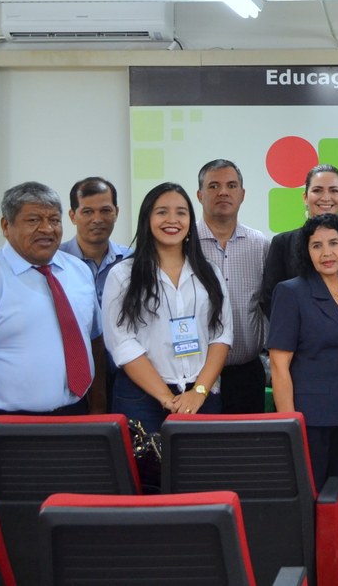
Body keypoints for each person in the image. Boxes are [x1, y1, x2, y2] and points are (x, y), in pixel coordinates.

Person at [0, 181, 105, 474]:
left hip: (75, 417)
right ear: (6, 225)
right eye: (33, 220)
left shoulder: (78, 271)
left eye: (54, 220)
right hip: (7, 424)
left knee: (72, 499)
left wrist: (98, 406)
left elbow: (94, 341)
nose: (47, 229)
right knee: (16, 502)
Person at [102, 182, 232, 434]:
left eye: (181, 212)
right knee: (147, 462)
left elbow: (222, 334)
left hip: (201, 396)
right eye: (162, 212)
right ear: (147, 219)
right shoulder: (123, 275)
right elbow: (122, 342)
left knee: (200, 460)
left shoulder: (209, 273)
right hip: (142, 398)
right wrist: (166, 398)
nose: (172, 220)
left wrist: (199, 392)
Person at [268, 213, 338, 538]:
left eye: (333, 243)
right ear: (306, 251)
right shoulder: (291, 292)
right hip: (311, 419)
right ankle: (313, 563)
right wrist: (289, 423)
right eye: (317, 245)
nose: (327, 252)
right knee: (311, 501)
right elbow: (279, 365)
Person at [195, 159, 270, 414]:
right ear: (200, 195)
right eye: (214, 186)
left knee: (246, 440)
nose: (223, 192)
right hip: (195, 374)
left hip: (246, 373)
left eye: (231, 185)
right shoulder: (185, 243)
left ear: (242, 194)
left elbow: (267, 303)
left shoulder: (259, 244)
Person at [261, 164, 338, 318]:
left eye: (333, 190)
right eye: (317, 190)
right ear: (305, 197)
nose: (326, 197)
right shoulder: (283, 243)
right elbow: (270, 299)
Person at [59, 176, 131, 300]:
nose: (97, 219)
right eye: (87, 212)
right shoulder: (56, 261)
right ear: (72, 216)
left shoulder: (131, 259)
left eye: (105, 211)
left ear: (116, 213)